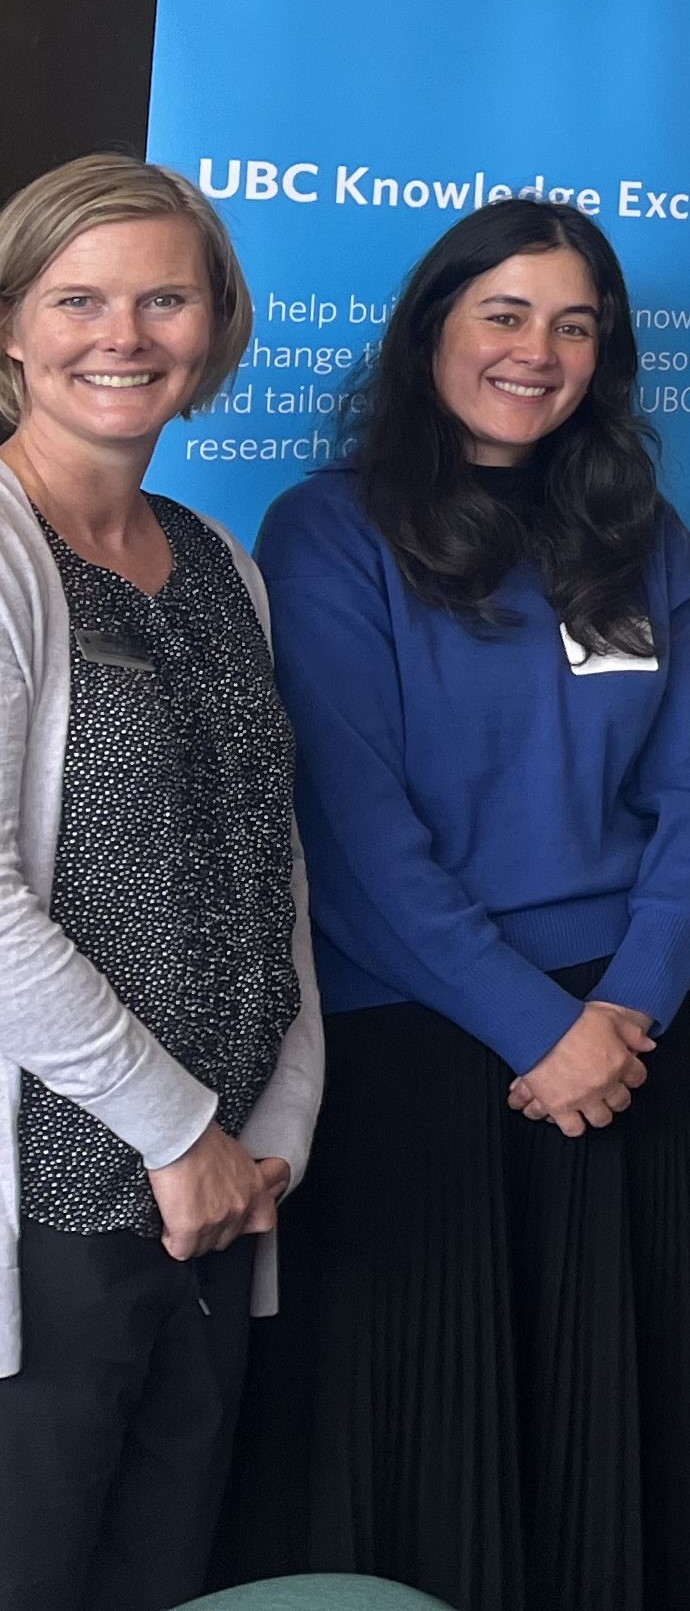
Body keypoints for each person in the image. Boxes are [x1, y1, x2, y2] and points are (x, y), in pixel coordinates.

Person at [231, 198, 690, 1610]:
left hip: (622, 1039)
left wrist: (626, 1006)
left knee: (612, 1433)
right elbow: (353, 832)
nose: (541, 350)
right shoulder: (329, 530)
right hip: (421, 1040)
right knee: (429, 1434)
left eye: (576, 323)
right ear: (433, 330)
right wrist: (540, 1027)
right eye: (507, 314)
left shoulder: (640, 535)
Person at [0, 155, 318, 1611]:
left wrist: (271, 1126)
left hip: (220, 1191)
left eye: (163, 296)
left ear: (216, 324)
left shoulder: (214, 558)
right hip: (59, 1199)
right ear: (13, 325)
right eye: (77, 297)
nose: (121, 332)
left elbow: (273, 851)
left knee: (167, 1568)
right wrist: (179, 1125)